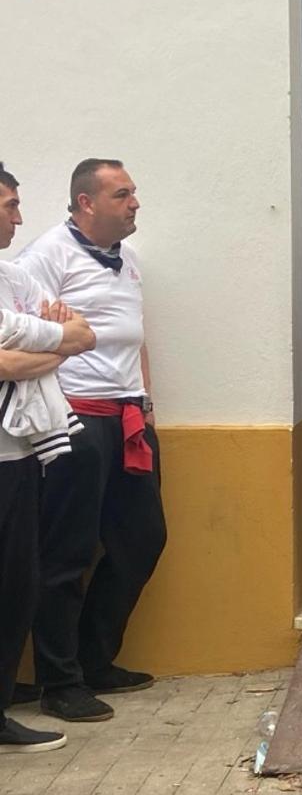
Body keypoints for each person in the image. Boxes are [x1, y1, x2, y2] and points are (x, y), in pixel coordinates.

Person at [16, 159, 164, 723]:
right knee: (67, 552)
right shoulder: (45, 256)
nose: (135, 204)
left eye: (133, 192)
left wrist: (147, 405)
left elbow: (136, 338)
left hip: (129, 420)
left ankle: (94, 659)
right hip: (74, 418)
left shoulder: (128, 261)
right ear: (86, 203)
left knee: (142, 539)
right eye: (123, 194)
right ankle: (60, 680)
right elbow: (22, 337)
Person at [0, 163, 96, 752]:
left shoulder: (12, 276)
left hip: (18, 456)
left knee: (17, 584)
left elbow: (83, 334)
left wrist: (32, 339)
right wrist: (48, 339)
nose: (18, 214)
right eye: (8, 203)